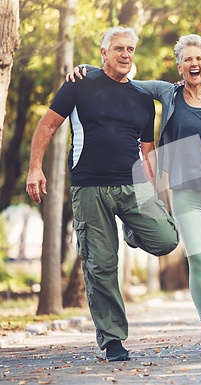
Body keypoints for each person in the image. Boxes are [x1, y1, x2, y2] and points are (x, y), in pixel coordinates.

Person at [68, 34, 201, 354]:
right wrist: (87, 68)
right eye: (187, 59)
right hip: (186, 190)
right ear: (180, 66)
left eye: (199, 59)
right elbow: (125, 77)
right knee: (200, 258)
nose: (194, 64)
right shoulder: (167, 93)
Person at [26, 26, 179, 361]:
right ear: (104, 53)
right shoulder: (79, 84)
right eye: (119, 49)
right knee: (101, 265)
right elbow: (48, 124)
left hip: (132, 185)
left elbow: (147, 153)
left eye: (131, 50)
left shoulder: (142, 98)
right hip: (89, 186)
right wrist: (35, 167)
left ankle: (131, 228)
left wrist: (155, 196)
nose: (125, 55)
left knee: (167, 239)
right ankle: (112, 340)